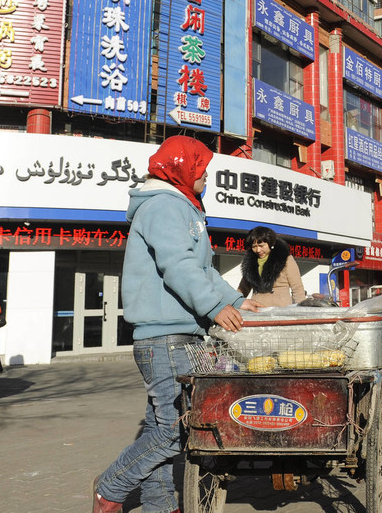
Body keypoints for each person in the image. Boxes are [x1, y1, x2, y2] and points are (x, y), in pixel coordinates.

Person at [92, 136, 263, 513]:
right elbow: (178, 267)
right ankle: (111, 487)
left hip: (179, 334)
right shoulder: (164, 206)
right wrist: (216, 307)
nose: (206, 177)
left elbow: (202, 270)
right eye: (202, 170)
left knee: (161, 428)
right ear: (182, 168)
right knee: (175, 431)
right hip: (165, 337)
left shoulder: (184, 206)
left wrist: (235, 300)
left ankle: (159, 505)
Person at [236, 225, 306, 307]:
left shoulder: (285, 259)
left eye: (261, 246)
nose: (258, 250)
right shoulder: (250, 263)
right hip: (257, 311)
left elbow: (297, 288)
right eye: (254, 247)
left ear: (270, 243)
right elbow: (243, 288)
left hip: (279, 312)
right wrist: (234, 303)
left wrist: (300, 311)